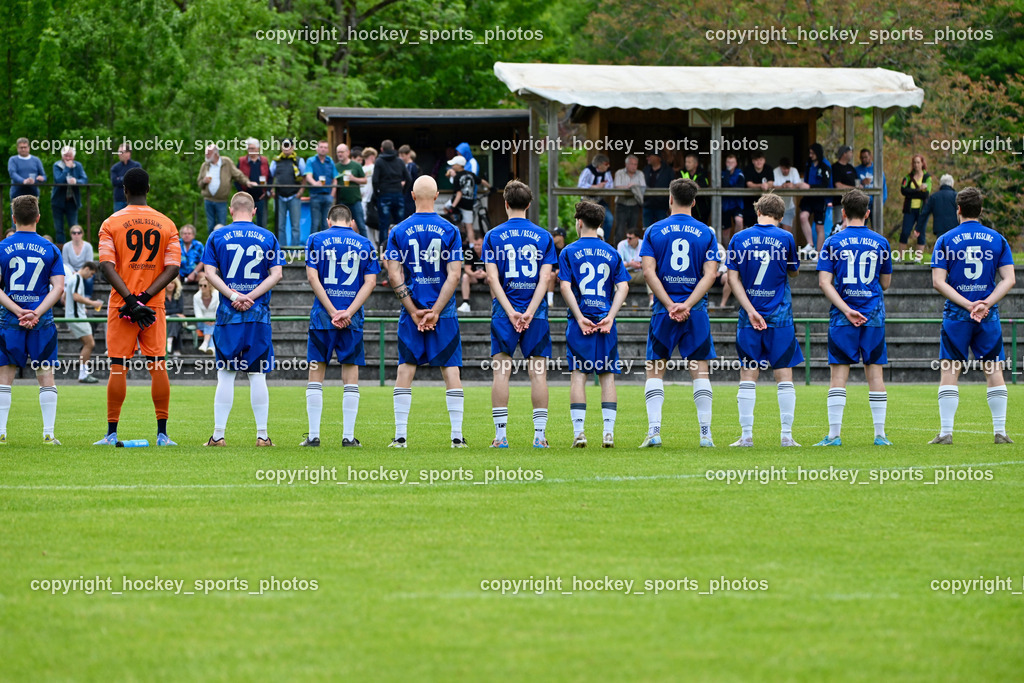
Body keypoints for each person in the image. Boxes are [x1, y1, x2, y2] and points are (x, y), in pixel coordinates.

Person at [94, 167, 181, 446]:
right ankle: (163, 435)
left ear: (125, 191)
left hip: (122, 305)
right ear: (149, 189)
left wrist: (131, 301)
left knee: (118, 366)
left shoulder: (111, 222)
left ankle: (111, 434)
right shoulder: (166, 223)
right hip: (153, 306)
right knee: (158, 365)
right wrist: (144, 299)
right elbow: (173, 268)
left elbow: (106, 267)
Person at [929, 186, 1015, 445]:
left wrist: (967, 305)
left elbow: (938, 281)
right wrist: (984, 303)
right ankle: (1000, 432)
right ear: (980, 210)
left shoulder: (944, 239)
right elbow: (1009, 279)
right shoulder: (998, 239)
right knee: (994, 369)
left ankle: (945, 433)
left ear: (958, 210)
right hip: (987, 314)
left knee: (949, 369)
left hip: (957, 313)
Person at [384, 175, 465, 447]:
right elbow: (454, 275)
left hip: (412, 312)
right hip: (445, 312)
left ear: (413, 196)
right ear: (438, 195)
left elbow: (394, 274)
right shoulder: (451, 230)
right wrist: (437, 311)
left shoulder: (397, 231)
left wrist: (415, 310)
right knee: (451, 370)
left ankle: (400, 436)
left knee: (405, 369)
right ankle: (456, 437)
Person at [639, 178, 719, 448]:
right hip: (695, 312)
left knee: (654, 370)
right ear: (694, 202)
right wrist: (687, 304)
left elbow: (648, 271)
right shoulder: (707, 233)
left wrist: (670, 304)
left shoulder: (653, 230)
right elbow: (711, 274)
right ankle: (706, 434)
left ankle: (654, 432)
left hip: (664, 311)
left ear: (670, 199)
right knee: (700, 372)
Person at [200, 193, 285, 447]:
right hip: (258, 315)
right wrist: (251, 296)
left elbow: (209, 273)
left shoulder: (217, 236)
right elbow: (276, 274)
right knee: (257, 375)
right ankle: (262, 436)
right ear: (254, 211)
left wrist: (234, 295)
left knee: (225, 374)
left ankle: (218, 436)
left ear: (230, 210)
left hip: (229, 315)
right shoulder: (268, 237)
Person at [814, 189, 893, 446]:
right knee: (876, 376)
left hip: (842, 317)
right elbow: (886, 282)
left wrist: (846, 309)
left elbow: (824, 282)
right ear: (868, 213)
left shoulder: (832, 242)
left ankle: (834, 435)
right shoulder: (881, 242)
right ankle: (880, 435)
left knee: (838, 377)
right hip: (873, 315)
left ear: (843, 212)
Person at [482, 180, 557, 448]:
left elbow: (492, 279)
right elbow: (545, 278)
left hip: (504, 314)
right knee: (538, 374)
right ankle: (539, 436)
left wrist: (511, 312)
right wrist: (529, 312)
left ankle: (501, 436)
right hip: (535, 316)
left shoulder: (492, 236)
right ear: (528, 205)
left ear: (505, 204)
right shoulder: (544, 237)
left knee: (501, 373)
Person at [725, 193, 802, 447]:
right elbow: (793, 270)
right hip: (780, 316)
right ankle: (786, 436)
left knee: (748, 375)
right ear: (780, 217)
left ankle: (746, 435)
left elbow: (732, 279)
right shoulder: (787, 237)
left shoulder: (739, 238)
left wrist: (749, 309)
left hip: (750, 316)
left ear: (757, 211)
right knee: (784, 375)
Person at [301, 203, 379, 447]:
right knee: (351, 372)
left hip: (322, 317)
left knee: (316, 372)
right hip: (351, 319)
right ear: (352, 222)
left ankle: (313, 436)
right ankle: (347, 436)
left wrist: (332, 310)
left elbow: (312, 277)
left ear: (328, 220)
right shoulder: (365, 243)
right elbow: (371, 282)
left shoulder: (315, 239)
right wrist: (348, 312)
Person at [559, 201, 630, 448]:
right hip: (605, 322)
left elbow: (565, 286)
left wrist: (579, 316)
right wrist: (611, 315)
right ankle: (608, 433)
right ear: (600, 224)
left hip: (581, 323)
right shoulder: (613, 252)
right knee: (607, 376)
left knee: (578, 376)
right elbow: (624, 286)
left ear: (579, 222)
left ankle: (579, 432)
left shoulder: (568, 251)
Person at [0, 196, 65, 444]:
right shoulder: (51, 249)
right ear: (37, 218)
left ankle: (1, 433)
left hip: (9, 320)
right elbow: (58, 288)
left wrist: (18, 311)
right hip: (42, 322)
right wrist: (35, 313)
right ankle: (48, 434)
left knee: (4, 378)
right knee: (46, 376)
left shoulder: (1, 247)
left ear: (14, 219)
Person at [198, 145, 252, 234]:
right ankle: (211, 246)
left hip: (221, 200)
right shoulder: (205, 165)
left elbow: (237, 174)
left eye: (209, 153)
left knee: (222, 225)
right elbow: (199, 183)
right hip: (208, 199)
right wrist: (204, 181)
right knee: (210, 225)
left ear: (215, 153)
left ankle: (221, 246)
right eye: (206, 153)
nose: (206, 155)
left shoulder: (226, 162)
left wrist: (247, 182)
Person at [65, 261, 103, 382]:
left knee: (87, 344)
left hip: (75, 315)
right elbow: (75, 296)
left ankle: (83, 373)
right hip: (77, 317)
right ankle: (83, 374)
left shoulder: (75, 278)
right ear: (86, 269)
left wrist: (81, 307)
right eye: (91, 274)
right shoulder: (77, 278)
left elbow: (67, 296)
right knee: (90, 344)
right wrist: (92, 303)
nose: (91, 277)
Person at [373, 140, 411, 245]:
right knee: (400, 224)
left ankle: (383, 250)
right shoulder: (399, 161)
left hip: (384, 194)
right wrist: (403, 192)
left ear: (381, 149)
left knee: (384, 224)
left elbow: (375, 180)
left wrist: (377, 194)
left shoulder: (379, 161)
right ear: (394, 148)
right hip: (398, 193)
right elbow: (408, 178)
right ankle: (401, 248)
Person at [270, 139, 305, 247]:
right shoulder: (276, 161)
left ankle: (294, 250)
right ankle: (282, 249)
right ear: (281, 147)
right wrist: (271, 190)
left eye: (288, 146)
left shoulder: (299, 161)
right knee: (280, 225)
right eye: (284, 146)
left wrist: (301, 191)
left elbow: (305, 176)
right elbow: (271, 176)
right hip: (279, 197)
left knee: (295, 225)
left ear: (293, 147)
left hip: (294, 196)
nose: (286, 148)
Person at [799, 143, 832, 254]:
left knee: (819, 226)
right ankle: (810, 244)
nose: (811, 155)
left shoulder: (825, 165)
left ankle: (819, 254)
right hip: (809, 197)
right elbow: (806, 180)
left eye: (813, 153)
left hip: (820, 198)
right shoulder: (809, 164)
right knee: (803, 216)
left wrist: (810, 187)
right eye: (810, 153)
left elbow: (825, 183)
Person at [50, 146, 88, 244]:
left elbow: (84, 179)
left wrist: (76, 181)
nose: (68, 158)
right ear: (62, 156)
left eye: (70, 156)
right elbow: (58, 180)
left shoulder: (78, 166)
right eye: (66, 156)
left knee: (74, 227)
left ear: (74, 157)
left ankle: (75, 249)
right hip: (58, 201)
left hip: (72, 201)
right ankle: (61, 252)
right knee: (59, 229)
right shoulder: (57, 165)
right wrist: (67, 168)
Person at [899, 155, 932, 260]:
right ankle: (900, 256)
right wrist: (918, 190)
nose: (916, 165)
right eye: (914, 162)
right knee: (905, 232)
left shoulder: (927, 177)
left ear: (922, 163)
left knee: (920, 233)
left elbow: (926, 194)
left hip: (922, 210)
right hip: (909, 209)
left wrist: (911, 192)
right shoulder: (908, 177)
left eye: (918, 162)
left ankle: (918, 257)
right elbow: (903, 191)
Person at [577, 154, 615, 236]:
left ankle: (603, 239)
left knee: (609, 219)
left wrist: (603, 187)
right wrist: (595, 187)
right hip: (587, 201)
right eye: (606, 164)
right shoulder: (588, 170)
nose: (608, 166)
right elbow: (580, 185)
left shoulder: (607, 172)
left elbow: (611, 186)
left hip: (599, 200)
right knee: (585, 222)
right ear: (599, 164)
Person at [335, 143, 367, 237]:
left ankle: (368, 248)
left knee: (361, 225)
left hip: (355, 200)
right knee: (341, 226)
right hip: (341, 201)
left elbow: (365, 180)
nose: (340, 154)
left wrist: (354, 179)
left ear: (348, 152)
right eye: (338, 152)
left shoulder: (356, 165)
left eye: (342, 152)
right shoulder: (335, 167)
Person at [237, 138, 270, 228]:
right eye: (249, 148)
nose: (250, 150)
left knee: (262, 223)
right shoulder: (242, 161)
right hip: (246, 198)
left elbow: (270, 177)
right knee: (245, 222)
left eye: (252, 148)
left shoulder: (264, 161)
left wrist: (267, 191)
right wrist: (241, 193)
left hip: (261, 197)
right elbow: (237, 178)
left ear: (258, 149)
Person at [305, 140, 337, 234]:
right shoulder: (311, 160)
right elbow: (308, 176)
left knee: (326, 223)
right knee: (315, 223)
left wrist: (332, 195)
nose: (323, 149)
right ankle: (312, 246)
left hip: (328, 195)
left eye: (325, 147)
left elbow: (335, 179)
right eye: (321, 147)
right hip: (315, 195)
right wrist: (314, 183)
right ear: (317, 148)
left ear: (327, 149)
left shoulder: (330, 161)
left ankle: (325, 246)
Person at [613, 154, 645, 244]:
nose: (634, 166)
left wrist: (633, 186)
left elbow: (643, 187)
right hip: (621, 205)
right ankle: (617, 253)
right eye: (632, 164)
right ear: (626, 164)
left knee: (633, 231)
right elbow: (616, 187)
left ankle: (632, 254)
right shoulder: (619, 173)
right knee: (619, 231)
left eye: (636, 164)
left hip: (634, 205)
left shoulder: (640, 174)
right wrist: (631, 187)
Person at [772, 157, 807, 236]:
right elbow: (771, 186)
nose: (786, 171)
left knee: (786, 234)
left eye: (788, 169)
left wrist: (792, 186)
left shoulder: (794, 171)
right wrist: (782, 187)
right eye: (784, 169)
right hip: (775, 208)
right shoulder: (775, 172)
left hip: (788, 207)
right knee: (774, 234)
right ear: (780, 167)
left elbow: (799, 185)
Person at [447, 155, 478, 241]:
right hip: (469, 203)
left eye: (454, 164)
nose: (452, 166)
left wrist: (453, 206)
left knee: (446, 208)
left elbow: (459, 194)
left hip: (459, 203)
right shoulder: (471, 174)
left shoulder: (457, 177)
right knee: (469, 226)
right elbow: (481, 181)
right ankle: (472, 245)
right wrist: (490, 187)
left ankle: (461, 230)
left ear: (459, 165)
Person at [917, 174, 958, 239]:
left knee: (942, 247)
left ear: (940, 184)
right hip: (955, 229)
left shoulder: (934, 197)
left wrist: (918, 228)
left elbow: (924, 213)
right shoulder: (956, 196)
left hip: (939, 229)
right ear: (952, 184)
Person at [741, 151, 773, 229]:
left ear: (764, 160)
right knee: (749, 226)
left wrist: (767, 185)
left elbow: (771, 183)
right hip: (749, 203)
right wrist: (761, 186)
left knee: (763, 226)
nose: (759, 162)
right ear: (753, 161)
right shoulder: (748, 169)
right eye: (756, 160)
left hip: (764, 203)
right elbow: (749, 184)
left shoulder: (768, 168)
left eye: (761, 160)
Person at [832, 146, 859, 232]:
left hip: (852, 202)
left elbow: (857, 181)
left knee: (852, 225)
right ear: (844, 154)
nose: (852, 154)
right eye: (850, 152)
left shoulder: (851, 168)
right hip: (839, 202)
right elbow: (838, 185)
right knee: (839, 226)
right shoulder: (835, 167)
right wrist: (854, 188)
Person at [62, 225, 95, 296]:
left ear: (82, 234)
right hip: (70, 270)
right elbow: (65, 262)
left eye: (79, 233)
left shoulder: (88, 246)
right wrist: (73, 271)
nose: (76, 235)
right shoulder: (66, 246)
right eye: (74, 233)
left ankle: (87, 297)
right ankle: (68, 297)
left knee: (89, 278)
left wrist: (80, 272)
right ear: (71, 234)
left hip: (85, 269)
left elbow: (89, 262)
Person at [643, 151, 673, 227]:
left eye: (650, 156)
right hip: (648, 205)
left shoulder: (668, 170)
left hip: (662, 206)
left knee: (663, 229)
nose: (647, 158)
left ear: (657, 157)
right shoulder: (646, 170)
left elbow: (673, 186)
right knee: (647, 229)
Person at [854, 148, 888, 215]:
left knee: (876, 224)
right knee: (861, 224)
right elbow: (853, 185)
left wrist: (881, 202)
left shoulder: (877, 170)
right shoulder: (856, 170)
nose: (864, 159)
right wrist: (862, 182)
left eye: (866, 157)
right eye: (862, 157)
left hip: (875, 202)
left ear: (870, 157)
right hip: (862, 203)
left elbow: (883, 187)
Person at [721, 153, 745, 246]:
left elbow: (740, 187)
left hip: (736, 203)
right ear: (725, 163)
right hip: (725, 205)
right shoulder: (722, 174)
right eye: (728, 162)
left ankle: (737, 245)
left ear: (736, 163)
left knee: (739, 220)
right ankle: (727, 250)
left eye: (732, 162)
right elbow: (724, 185)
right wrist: (727, 173)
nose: (730, 164)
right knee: (726, 231)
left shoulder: (740, 173)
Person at [109, 143, 141, 213]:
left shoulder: (136, 166)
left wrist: (120, 179)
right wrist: (130, 178)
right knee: (118, 222)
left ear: (128, 153)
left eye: (121, 152)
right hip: (119, 200)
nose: (119, 154)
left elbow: (138, 181)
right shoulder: (115, 168)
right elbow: (114, 182)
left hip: (134, 200)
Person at [679, 153, 710, 224]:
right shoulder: (682, 172)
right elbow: (679, 186)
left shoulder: (702, 173)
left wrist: (687, 184)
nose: (687, 164)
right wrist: (694, 184)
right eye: (686, 162)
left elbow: (704, 185)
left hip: (701, 207)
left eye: (689, 162)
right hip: (686, 206)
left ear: (696, 164)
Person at [458, 237, 486, 313]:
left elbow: (494, 269)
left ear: (483, 245)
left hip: (486, 277)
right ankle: (465, 303)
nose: (476, 246)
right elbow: (467, 269)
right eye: (475, 245)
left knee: (493, 278)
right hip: (474, 277)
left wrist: (485, 274)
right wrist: (473, 274)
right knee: (465, 276)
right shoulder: (469, 252)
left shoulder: (488, 252)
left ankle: (495, 304)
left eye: (479, 245)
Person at [192, 276, 218, 354]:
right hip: (201, 322)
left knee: (212, 326)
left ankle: (207, 344)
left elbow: (218, 310)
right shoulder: (196, 297)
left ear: (210, 286)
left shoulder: (217, 294)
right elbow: (198, 313)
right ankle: (211, 346)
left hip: (215, 321)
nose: (202, 287)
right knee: (210, 326)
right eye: (200, 285)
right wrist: (205, 320)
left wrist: (213, 320)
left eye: (205, 285)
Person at [360, 147, 379, 245]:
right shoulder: (375, 168)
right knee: (376, 221)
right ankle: (376, 243)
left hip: (363, 198)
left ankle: (370, 242)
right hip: (374, 199)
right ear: (372, 157)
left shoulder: (361, 169)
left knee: (366, 222)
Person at [164, 276, 185, 357]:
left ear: (175, 284)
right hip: (164, 319)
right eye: (168, 283)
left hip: (175, 319)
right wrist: (175, 313)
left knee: (174, 320)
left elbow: (180, 309)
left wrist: (167, 312)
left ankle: (169, 341)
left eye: (172, 283)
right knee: (175, 321)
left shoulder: (179, 293)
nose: (170, 285)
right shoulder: (161, 294)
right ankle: (176, 350)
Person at [399, 145, 420, 218]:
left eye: (402, 156)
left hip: (409, 195)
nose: (401, 158)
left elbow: (409, 180)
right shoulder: (406, 166)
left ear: (408, 155)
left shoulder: (411, 166)